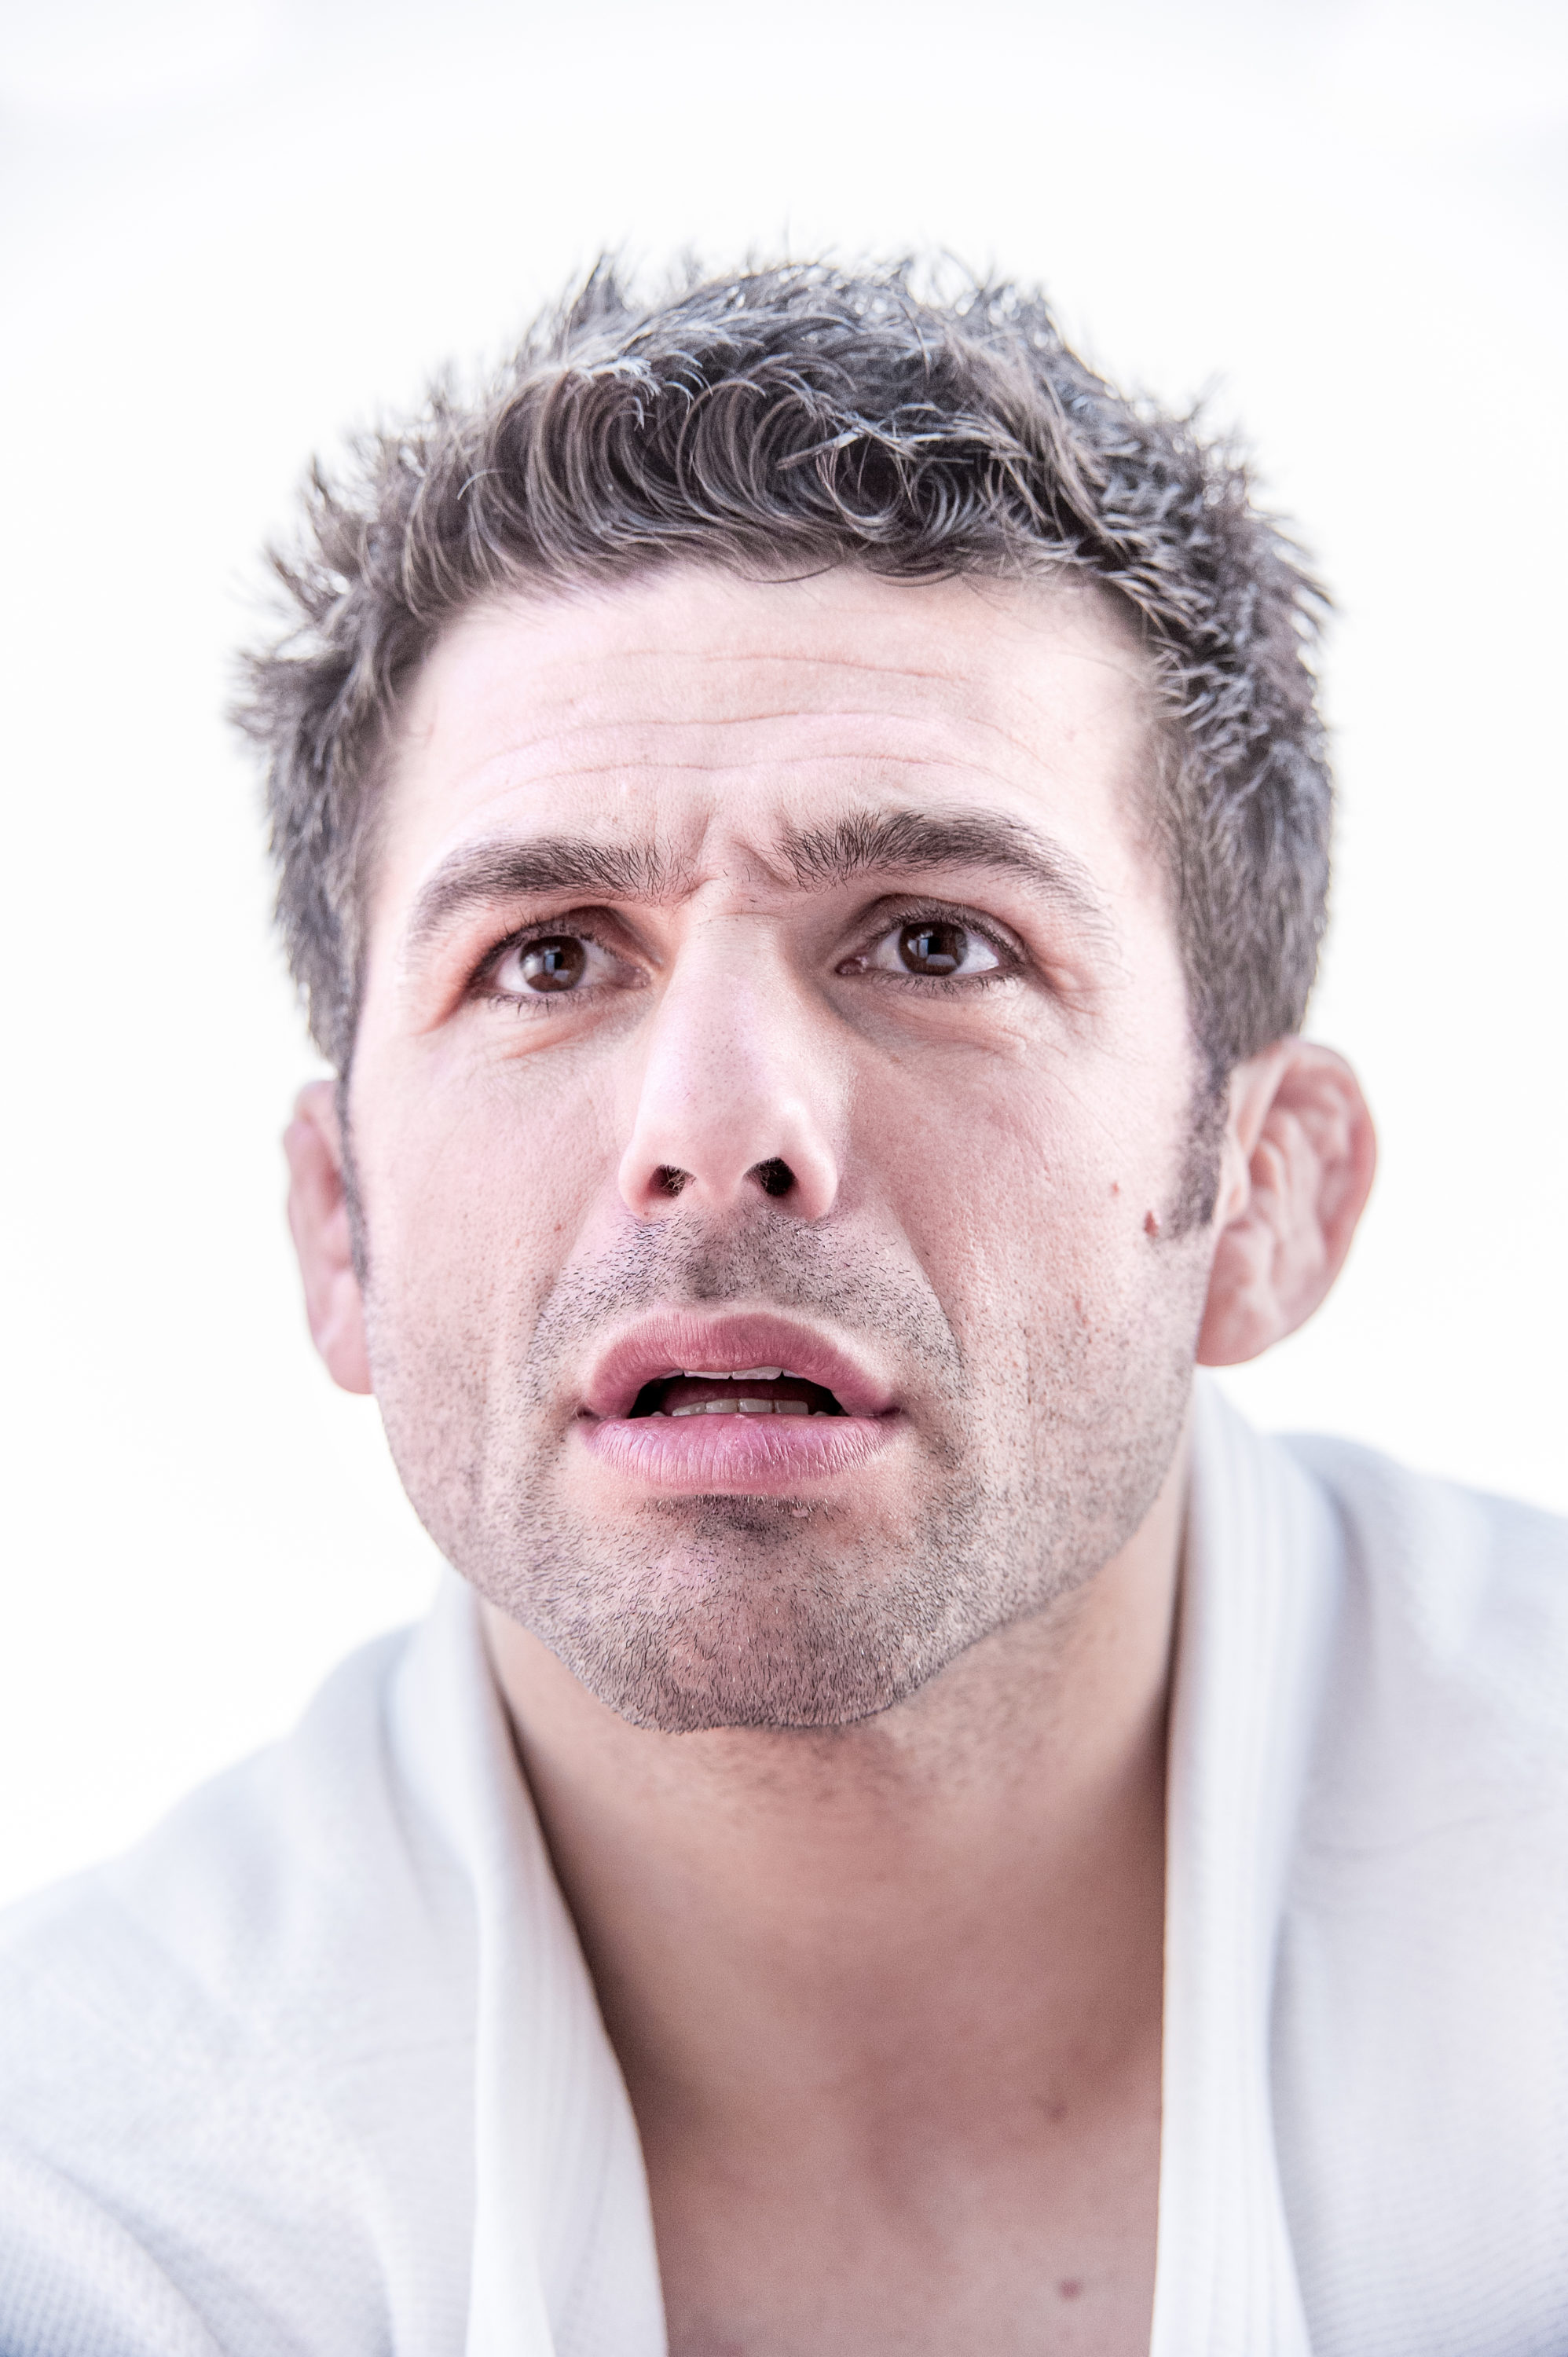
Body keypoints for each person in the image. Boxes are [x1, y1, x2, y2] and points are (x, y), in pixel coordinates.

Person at [1, 259, 1563, 2357]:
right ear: (336, 1227)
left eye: (930, 941)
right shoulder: (93, 2206)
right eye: (548, 958)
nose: (718, 1126)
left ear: (1260, 1196)